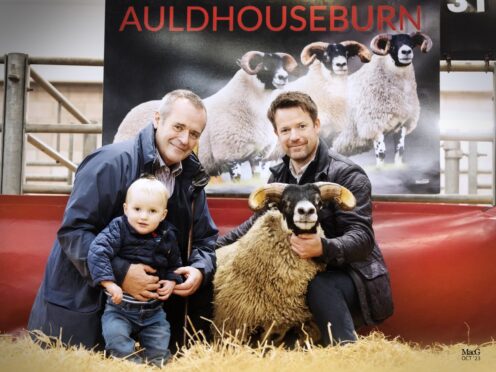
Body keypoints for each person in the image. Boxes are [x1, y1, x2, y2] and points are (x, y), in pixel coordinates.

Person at [28, 89, 218, 351]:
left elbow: (204, 240)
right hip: (82, 315)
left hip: (150, 321)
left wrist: (199, 268)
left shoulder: (191, 180)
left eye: (195, 133)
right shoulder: (109, 162)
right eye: (178, 126)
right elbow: (74, 231)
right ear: (156, 119)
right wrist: (121, 273)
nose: (185, 139)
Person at [216, 91, 393, 345]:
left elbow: (362, 237)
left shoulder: (347, 175)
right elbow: (258, 222)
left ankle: (346, 352)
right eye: (285, 130)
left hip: (347, 273)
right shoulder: (279, 178)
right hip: (297, 273)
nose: (294, 136)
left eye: (301, 126)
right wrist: (214, 251)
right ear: (277, 134)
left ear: (316, 125)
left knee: (318, 285)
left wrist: (324, 247)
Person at [88, 176, 182, 366]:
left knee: (160, 344)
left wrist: (172, 280)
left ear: (163, 215)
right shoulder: (118, 228)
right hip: (120, 308)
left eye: (152, 211)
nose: (143, 216)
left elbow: (174, 262)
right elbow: (97, 252)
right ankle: (129, 365)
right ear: (126, 209)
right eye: (137, 209)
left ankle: (157, 363)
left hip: (153, 311)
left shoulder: (167, 234)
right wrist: (109, 283)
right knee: (116, 337)